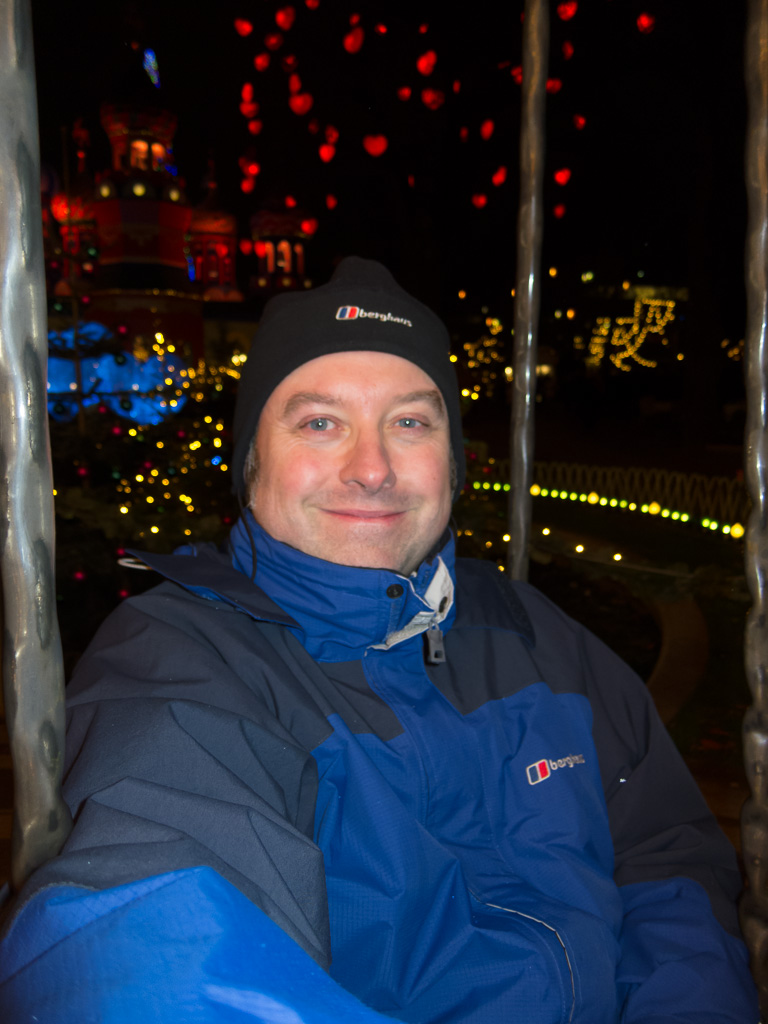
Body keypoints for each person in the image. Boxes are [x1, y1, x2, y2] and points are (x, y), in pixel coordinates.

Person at [0, 257, 759, 1023]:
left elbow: (666, 855)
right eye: (320, 423)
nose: (372, 469)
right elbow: (156, 944)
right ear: (251, 462)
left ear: (453, 462)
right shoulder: (181, 661)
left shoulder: (532, 632)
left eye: (410, 422)